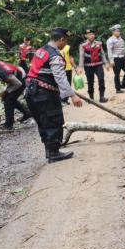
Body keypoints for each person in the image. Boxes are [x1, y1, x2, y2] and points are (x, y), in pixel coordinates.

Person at [24, 27, 82, 163]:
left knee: (42, 122)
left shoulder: (41, 50)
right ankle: (54, 153)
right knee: (53, 121)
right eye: (66, 41)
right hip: (45, 94)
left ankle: (49, 150)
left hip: (31, 92)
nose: (66, 44)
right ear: (62, 39)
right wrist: (72, 95)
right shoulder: (55, 55)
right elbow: (60, 77)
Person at [0, 59, 32, 131]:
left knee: (8, 102)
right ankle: (27, 113)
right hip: (15, 76)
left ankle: (9, 126)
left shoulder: (6, 75)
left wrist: (6, 91)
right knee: (7, 98)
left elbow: (18, 84)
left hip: (21, 79)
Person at [79, 29, 109, 102]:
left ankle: (102, 96)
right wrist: (80, 67)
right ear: (86, 36)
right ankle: (91, 98)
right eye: (90, 34)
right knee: (90, 81)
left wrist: (106, 63)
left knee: (101, 79)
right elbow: (81, 56)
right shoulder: (83, 45)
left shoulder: (99, 43)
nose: (92, 36)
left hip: (98, 65)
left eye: (93, 34)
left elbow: (102, 54)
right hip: (88, 66)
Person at [107, 24, 125, 93]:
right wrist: (111, 60)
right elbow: (109, 51)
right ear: (113, 32)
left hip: (123, 57)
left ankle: (124, 84)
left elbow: (123, 49)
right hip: (116, 58)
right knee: (117, 74)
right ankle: (118, 88)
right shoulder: (110, 40)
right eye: (117, 31)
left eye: (119, 31)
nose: (119, 32)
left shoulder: (121, 39)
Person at [60, 32, 81, 105]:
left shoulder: (55, 47)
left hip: (59, 68)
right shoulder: (68, 47)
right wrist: (75, 67)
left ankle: (61, 99)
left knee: (60, 83)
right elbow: (71, 58)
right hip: (67, 68)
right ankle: (64, 99)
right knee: (67, 83)